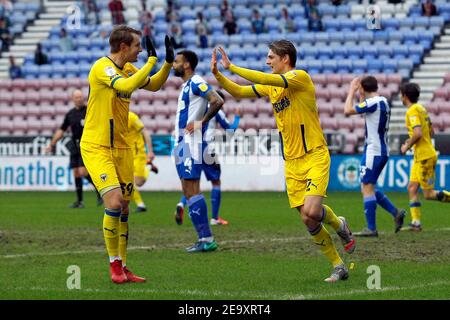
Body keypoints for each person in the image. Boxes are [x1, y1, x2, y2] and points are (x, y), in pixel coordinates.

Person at [211, 41, 355, 282]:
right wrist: (218, 75)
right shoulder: (272, 87)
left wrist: (231, 66)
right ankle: (338, 265)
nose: (267, 62)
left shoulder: (300, 77)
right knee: (307, 218)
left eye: (271, 57)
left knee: (312, 210)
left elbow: (263, 79)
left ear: (285, 58)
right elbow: (238, 92)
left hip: (315, 154)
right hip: (291, 161)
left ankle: (340, 225)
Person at [80, 25, 174, 284]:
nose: (140, 50)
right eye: (137, 46)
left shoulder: (130, 68)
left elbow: (153, 85)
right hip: (96, 145)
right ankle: (114, 268)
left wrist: (166, 63)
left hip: (121, 147)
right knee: (113, 202)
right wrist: (151, 61)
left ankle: (123, 266)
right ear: (123, 47)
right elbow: (125, 84)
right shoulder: (103, 67)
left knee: (124, 209)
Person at [172, 50, 224, 252]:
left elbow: (217, 100)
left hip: (191, 144)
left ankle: (206, 239)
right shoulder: (186, 85)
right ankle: (202, 238)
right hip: (181, 144)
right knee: (187, 190)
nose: (173, 65)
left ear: (186, 65)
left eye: (176, 61)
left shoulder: (196, 81)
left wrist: (202, 122)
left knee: (193, 188)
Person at [344, 76, 406, 237]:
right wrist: (362, 95)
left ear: (362, 89)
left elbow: (347, 110)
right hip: (380, 149)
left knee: (367, 187)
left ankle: (371, 228)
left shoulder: (372, 103)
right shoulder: (382, 101)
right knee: (367, 187)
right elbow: (368, 113)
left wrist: (351, 90)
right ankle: (396, 212)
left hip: (374, 151)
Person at [174, 90, 241, 226]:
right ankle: (215, 218)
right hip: (207, 149)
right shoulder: (217, 111)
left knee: (192, 182)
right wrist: (237, 117)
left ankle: (182, 203)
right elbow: (230, 131)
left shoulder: (198, 109)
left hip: (193, 148)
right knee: (216, 182)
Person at [400, 83, 450, 231]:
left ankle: (416, 222)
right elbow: (431, 131)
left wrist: (407, 145)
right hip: (420, 155)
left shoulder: (412, 111)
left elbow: (418, 133)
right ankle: (416, 223)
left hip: (425, 156)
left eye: (402, 95)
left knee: (428, 194)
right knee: (412, 187)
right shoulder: (422, 109)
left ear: (405, 96)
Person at [45, 90, 102, 208]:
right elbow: (62, 129)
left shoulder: (89, 111)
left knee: (83, 171)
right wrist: (52, 144)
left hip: (86, 144)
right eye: (76, 97)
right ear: (73, 99)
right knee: (76, 173)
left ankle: (99, 190)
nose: (79, 99)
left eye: (81, 97)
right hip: (74, 145)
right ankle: (80, 201)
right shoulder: (70, 114)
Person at [128, 111, 158, 213]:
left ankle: (148, 166)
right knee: (128, 181)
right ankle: (141, 205)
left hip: (138, 154)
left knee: (138, 182)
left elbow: (145, 132)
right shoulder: (114, 119)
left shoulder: (131, 117)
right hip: (125, 155)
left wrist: (150, 151)